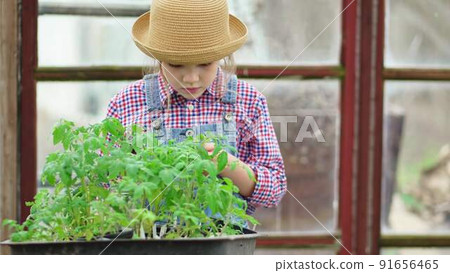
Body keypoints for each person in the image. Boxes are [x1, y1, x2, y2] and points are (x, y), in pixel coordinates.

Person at [106, 0, 287, 217]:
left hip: (224, 244)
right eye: (176, 65)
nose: (191, 79)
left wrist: (224, 163)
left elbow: (275, 189)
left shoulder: (248, 101)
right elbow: (103, 183)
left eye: (205, 63)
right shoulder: (127, 102)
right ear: (159, 59)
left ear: (223, 56)